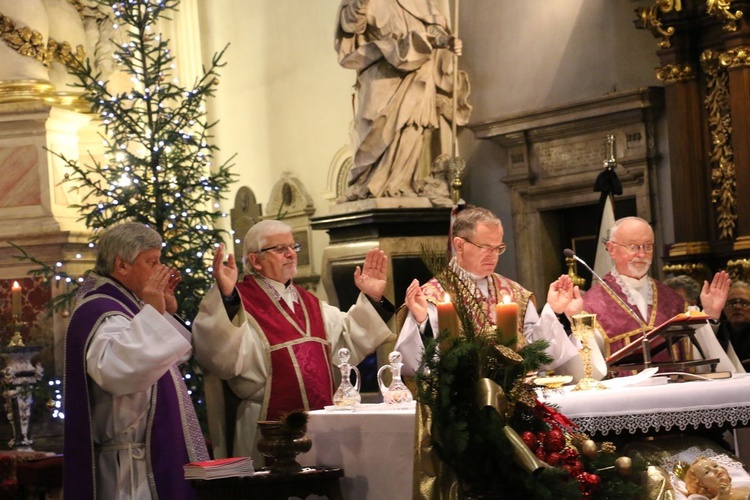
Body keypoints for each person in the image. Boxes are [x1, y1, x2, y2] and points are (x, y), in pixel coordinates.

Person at [192, 219, 395, 462]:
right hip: (265, 425)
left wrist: (372, 297)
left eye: (292, 247)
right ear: (255, 261)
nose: (290, 254)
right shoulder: (240, 302)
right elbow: (220, 356)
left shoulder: (310, 303)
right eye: (279, 249)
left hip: (320, 423)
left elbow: (347, 341)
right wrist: (226, 297)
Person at [64, 222, 208, 500]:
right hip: (127, 469)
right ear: (121, 265)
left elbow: (171, 360)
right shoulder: (100, 309)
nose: (160, 269)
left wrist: (164, 313)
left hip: (148, 456)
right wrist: (153, 312)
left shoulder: (129, 304)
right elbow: (118, 373)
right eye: (151, 262)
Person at [395, 205, 581, 377]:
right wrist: (422, 323)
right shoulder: (432, 296)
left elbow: (539, 354)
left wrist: (554, 312)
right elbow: (415, 364)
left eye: (498, 248)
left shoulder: (515, 293)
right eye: (485, 248)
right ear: (459, 245)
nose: (493, 256)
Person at [557, 216, 734, 378]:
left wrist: (710, 316)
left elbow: (701, 356)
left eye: (648, 246)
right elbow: (588, 372)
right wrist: (576, 319)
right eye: (633, 247)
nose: (642, 254)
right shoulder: (592, 304)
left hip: (677, 395)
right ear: (611, 249)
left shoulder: (674, 300)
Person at [335, 0, 472, 202]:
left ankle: (402, 184)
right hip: (382, 72)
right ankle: (369, 184)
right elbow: (352, 25)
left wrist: (445, 40)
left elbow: (431, 26)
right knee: (377, 127)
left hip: (419, 72)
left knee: (413, 127)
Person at [716, 281, 750, 371]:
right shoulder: (718, 331)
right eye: (732, 303)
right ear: (724, 308)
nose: (737, 307)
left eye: (744, 303)